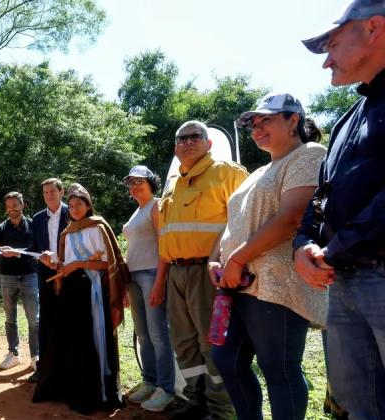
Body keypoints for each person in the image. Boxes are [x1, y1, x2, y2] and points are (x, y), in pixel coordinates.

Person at [208, 93, 327, 420]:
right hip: (238, 284)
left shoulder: (309, 154)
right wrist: (215, 259)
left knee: (279, 370)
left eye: (266, 120)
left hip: (278, 285)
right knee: (226, 360)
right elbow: (234, 223)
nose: (257, 128)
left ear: (293, 121)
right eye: (253, 124)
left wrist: (235, 260)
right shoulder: (259, 172)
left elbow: (292, 218)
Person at [295, 3, 385, 417]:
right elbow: (321, 195)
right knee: (358, 404)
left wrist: (335, 250)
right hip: (343, 279)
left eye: (332, 43)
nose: (326, 60)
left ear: (373, 28)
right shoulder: (351, 116)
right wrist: (302, 245)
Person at [149, 120, 247, 420]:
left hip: (208, 272)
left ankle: (220, 410)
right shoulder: (174, 183)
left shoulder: (227, 172)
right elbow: (167, 236)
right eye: (182, 138)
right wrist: (161, 280)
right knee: (184, 342)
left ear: (208, 143)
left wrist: (229, 262)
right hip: (176, 274)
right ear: (176, 147)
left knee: (211, 343)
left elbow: (243, 222)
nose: (189, 142)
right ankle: (195, 400)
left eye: (196, 136)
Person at [33, 185, 128, 414]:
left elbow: (109, 264)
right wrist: (53, 262)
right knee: (72, 341)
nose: (75, 209)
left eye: (79, 205)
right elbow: (64, 263)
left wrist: (78, 265)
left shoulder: (98, 227)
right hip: (71, 292)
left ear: (88, 205)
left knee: (90, 338)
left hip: (91, 290)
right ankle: (73, 389)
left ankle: (95, 393)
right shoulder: (68, 232)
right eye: (72, 205)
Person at [121, 165, 176, 412]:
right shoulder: (137, 211)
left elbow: (165, 244)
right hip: (133, 277)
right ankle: (150, 382)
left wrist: (159, 281)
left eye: (139, 181)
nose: (134, 186)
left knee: (158, 335)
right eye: (131, 182)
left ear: (150, 182)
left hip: (152, 274)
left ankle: (166, 389)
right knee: (143, 335)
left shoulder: (156, 206)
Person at [0, 191, 40, 371]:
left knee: (34, 319)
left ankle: (36, 355)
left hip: (30, 276)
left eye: (15, 205)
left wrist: (17, 252)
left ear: (22, 205)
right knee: (10, 318)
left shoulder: (34, 225)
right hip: (7, 277)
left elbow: (39, 250)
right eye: (9, 206)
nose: (12, 209)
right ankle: (14, 354)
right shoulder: (0, 228)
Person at [27, 178, 69, 383]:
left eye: (52, 191)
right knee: (46, 321)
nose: (49, 196)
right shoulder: (37, 218)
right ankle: (44, 367)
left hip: (70, 275)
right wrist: (13, 252)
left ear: (62, 192)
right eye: (45, 192)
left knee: (68, 320)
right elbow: (33, 248)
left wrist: (63, 262)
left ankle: (69, 367)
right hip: (46, 276)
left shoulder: (74, 212)